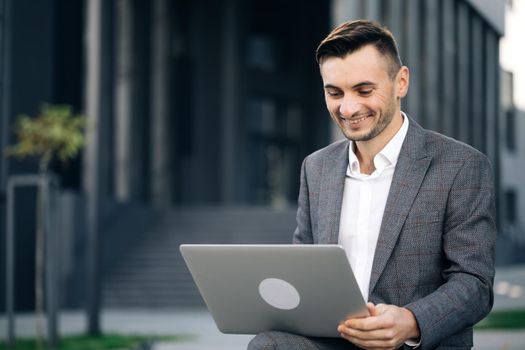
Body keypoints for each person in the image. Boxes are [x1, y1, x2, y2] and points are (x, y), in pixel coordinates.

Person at [248, 19, 496, 350]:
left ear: (401, 82)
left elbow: (475, 283)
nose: (348, 108)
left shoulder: (461, 166)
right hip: (334, 340)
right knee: (268, 344)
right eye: (334, 93)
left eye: (364, 90)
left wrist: (411, 322)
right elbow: (303, 269)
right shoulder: (316, 167)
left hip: (416, 344)